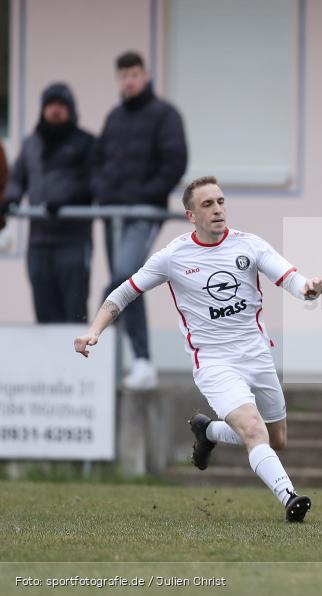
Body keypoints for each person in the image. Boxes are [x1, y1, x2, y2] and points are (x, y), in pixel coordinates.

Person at [74, 176, 322, 522]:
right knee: (254, 431)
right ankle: (290, 497)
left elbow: (288, 277)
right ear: (191, 216)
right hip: (214, 363)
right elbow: (124, 293)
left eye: (221, 201)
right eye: (207, 204)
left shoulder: (249, 245)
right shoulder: (173, 257)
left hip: (257, 356)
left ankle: (208, 431)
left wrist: (308, 288)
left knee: (275, 438)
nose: (217, 209)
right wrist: (94, 331)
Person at [92, 50, 188, 390]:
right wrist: (105, 195)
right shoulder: (114, 118)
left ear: (145, 75)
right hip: (113, 215)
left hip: (142, 213)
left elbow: (175, 161)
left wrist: (146, 196)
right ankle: (126, 356)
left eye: (134, 74)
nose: (129, 80)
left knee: (124, 278)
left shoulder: (165, 115)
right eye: (123, 75)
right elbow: (99, 162)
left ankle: (142, 360)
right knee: (124, 279)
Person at [2, 83, 94, 324]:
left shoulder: (85, 142)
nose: (55, 110)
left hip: (73, 242)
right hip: (38, 243)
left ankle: (76, 361)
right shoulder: (31, 143)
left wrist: (68, 200)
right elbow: (17, 178)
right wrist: (10, 199)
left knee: (74, 311)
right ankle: (53, 363)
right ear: (43, 109)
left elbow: (93, 183)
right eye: (50, 105)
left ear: (71, 110)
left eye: (61, 106)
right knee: (44, 311)